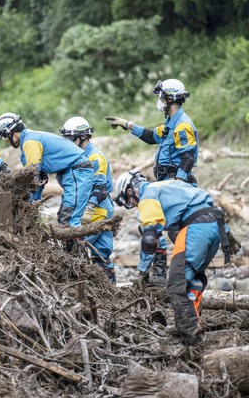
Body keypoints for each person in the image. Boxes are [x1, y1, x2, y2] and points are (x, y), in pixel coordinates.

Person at [114, 170, 231, 346]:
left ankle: (191, 339)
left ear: (129, 191)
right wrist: (229, 235)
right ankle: (192, 322)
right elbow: (205, 203)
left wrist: (143, 271)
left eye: (130, 203)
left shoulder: (147, 196)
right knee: (194, 279)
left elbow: (150, 239)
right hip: (215, 227)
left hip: (196, 229)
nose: (134, 205)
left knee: (176, 286)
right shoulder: (168, 184)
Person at [106, 79, 197, 280]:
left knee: (176, 231)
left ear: (170, 98)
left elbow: (187, 157)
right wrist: (128, 124)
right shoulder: (169, 124)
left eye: (162, 97)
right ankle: (158, 274)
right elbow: (150, 136)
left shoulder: (182, 125)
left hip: (174, 185)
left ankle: (188, 272)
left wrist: (179, 184)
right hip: (164, 183)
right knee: (153, 227)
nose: (160, 101)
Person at [0, 112, 94, 227]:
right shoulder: (30, 139)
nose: (5, 140)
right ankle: (74, 244)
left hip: (77, 172)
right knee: (64, 217)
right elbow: (40, 179)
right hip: (75, 173)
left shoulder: (30, 142)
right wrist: (32, 204)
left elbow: (33, 177)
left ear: (10, 132)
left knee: (69, 219)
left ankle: (77, 244)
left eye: (4, 136)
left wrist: (27, 204)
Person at [59, 117, 116, 283]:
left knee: (78, 244)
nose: (68, 142)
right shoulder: (78, 155)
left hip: (97, 208)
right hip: (98, 207)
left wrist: (89, 207)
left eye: (71, 138)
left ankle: (84, 285)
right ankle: (107, 289)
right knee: (101, 252)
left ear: (82, 137)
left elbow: (100, 188)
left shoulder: (95, 157)